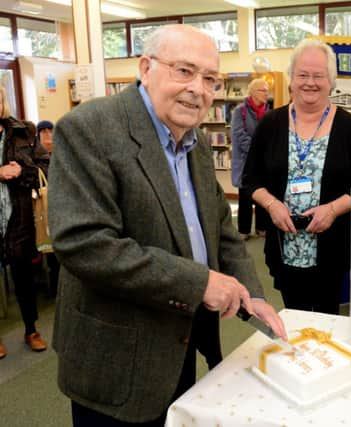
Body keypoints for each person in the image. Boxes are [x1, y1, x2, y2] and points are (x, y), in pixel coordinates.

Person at [48, 25, 286, 426]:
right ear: (146, 67)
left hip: (179, 343)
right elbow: (84, 243)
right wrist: (200, 284)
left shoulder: (195, 141)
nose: (198, 88)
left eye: (210, 79)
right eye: (184, 71)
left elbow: (219, 228)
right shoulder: (89, 129)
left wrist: (252, 294)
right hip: (116, 358)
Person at [242, 39, 351, 315]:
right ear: (291, 79)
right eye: (303, 75)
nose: (310, 82)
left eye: (319, 76)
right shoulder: (271, 124)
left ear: (331, 81)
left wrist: (332, 209)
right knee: (293, 317)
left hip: (331, 248)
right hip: (284, 247)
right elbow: (250, 180)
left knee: (328, 320)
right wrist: (271, 205)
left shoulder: (349, 128)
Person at [0, 85, 50, 360]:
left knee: (24, 279)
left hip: (19, 219)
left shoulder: (24, 131)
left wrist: (23, 171)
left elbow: (47, 166)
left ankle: (31, 330)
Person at [231, 78, 270, 239]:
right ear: (253, 92)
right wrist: (257, 152)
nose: (266, 94)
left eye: (267, 90)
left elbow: (270, 136)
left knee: (262, 194)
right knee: (245, 196)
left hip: (263, 162)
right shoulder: (239, 111)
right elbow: (240, 136)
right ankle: (244, 230)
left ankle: (261, 228)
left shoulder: (268, 112)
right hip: (245, 161)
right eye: (263, 90)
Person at [34, 119, 60, 297]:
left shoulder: (61, 152)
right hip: (42, 209)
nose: (48, 136)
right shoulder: (35, 157)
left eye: (50, 131)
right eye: (43, 132)